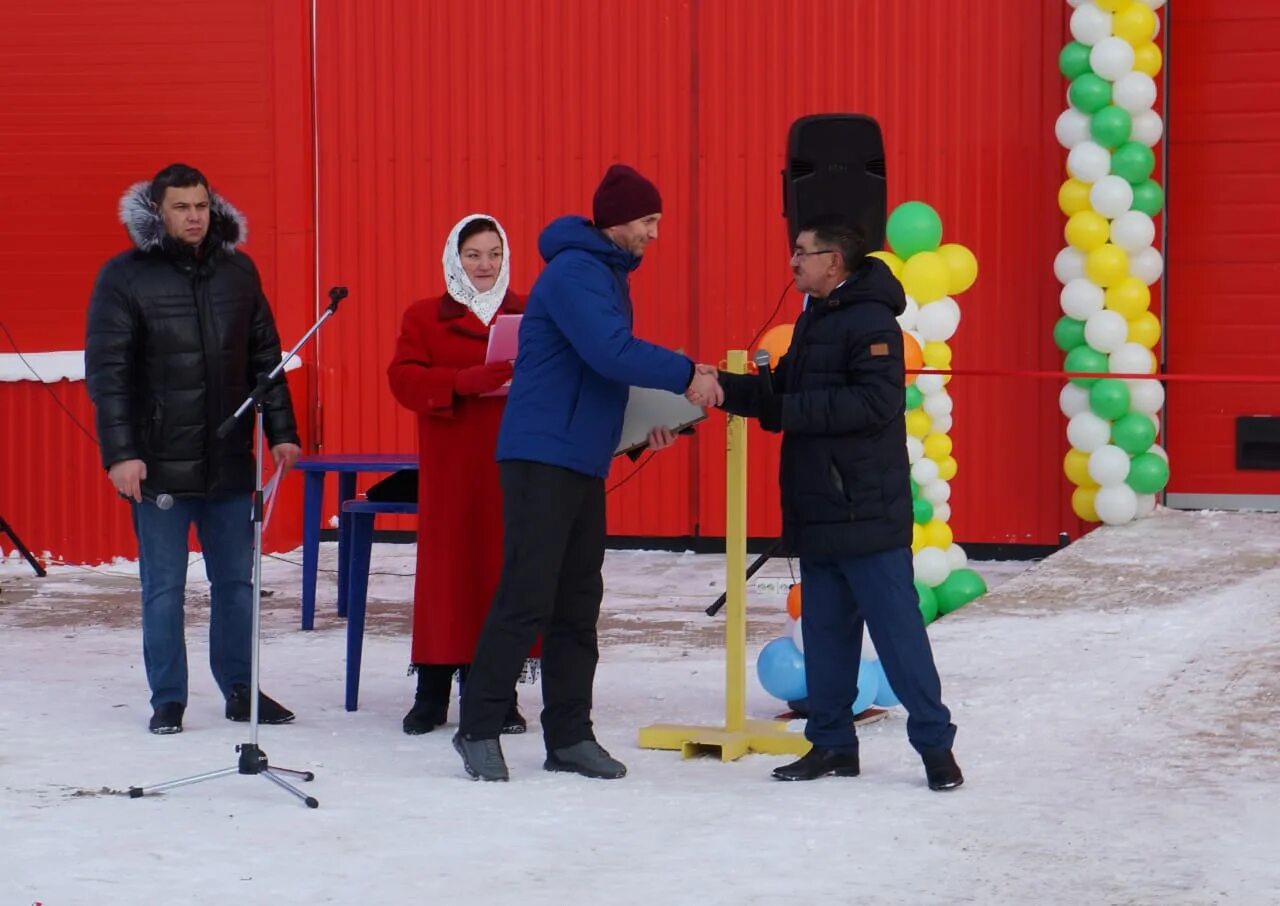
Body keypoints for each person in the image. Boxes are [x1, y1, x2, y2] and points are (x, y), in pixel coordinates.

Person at [453, 164, 723, 781]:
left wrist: (647, 427)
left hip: (578, 456)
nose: (655, 233)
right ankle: (479, 727)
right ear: (617, 220)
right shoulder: (576, 271)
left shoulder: (603, 273)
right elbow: (610, 352)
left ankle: (570, 737)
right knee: (527, 594)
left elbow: (596, 374)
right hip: (542, 457)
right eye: (648, 220)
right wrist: (687, 374)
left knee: (577, 602)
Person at [706, 214, 963, 790]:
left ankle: (935, 749)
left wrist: (787, 410)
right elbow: (781, 393)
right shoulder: (816, 317)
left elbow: (872, 404)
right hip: (819, 509)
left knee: (899, 639)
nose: (793, 262)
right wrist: (720, 387)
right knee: (824, 638)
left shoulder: (872, 321)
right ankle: (831, 745)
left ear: (834, 261)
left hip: (866, 512)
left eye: (803, 252)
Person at [84, 163, 301, 735]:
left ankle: (240, 688)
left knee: (236, 584)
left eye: (202, 205)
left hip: (228, 460)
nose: (194, 216)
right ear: (158, 212)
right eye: (181, 207)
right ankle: (169, 698)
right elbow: (108, 374)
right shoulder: (124, 277)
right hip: (157, 463)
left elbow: (266, 359)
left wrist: (281, 432)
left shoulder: (238, 272)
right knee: (164, 588)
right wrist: (121, 453)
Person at [387, 214, 532, 736]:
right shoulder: (424, 316)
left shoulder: (528, 313)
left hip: (511, 461)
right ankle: (431, 693)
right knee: (447, 577)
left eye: (494, 254)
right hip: (452, 465)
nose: (485, 265)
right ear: (455, 258)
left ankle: (496, 693)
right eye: (473, 255)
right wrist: (463, 381)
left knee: (500, 572)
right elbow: (403, 379)